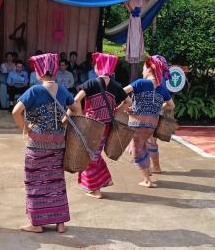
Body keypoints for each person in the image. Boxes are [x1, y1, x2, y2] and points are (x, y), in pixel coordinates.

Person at [12, 53, 79, 233]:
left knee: (34, 180)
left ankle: (36, 223)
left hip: (37, 143)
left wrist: (27, 128)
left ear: (40, 71)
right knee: (56, 180)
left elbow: (15, 112)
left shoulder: (34, 90)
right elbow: (76, 109)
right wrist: (64, 122)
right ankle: (60, 223)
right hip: (58, 142)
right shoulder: (63, 89)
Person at [74, 52, 132, 199]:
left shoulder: (91, 83)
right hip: (106, 126)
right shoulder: (116, 86)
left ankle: (95, 189)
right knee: (95, 154)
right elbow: (128, 102)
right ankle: (104, 180)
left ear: (98, 67)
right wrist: (116, 110)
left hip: (91, 126)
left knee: (89, 156)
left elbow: (76, 101)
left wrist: (80, 116)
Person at [123, 56, 175, 188]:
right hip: (152, 125)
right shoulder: (161, 88)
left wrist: (126, 105)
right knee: (144, 146)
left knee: (136, 150)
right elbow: (171, 105)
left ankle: (147, 179)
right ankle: (150, 171)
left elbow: (122, 92)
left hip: (137, 124)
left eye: (144, 69)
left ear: (149, 69)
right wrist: (158, 107)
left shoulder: (141, 82)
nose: (142, 72)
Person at [146, 54, 171, 174]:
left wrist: (158, 108)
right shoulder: (162, 78)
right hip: (157, 114)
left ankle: (155, 167)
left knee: (150, 141)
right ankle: (153, 167)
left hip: (153, 115)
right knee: (151, 141)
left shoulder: (156, 81)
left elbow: (169, 102)